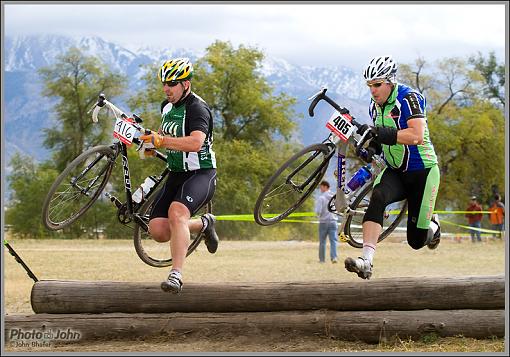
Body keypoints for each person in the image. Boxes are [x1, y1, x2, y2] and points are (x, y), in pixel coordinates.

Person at [344, 55, 441, 280]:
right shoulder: (374, 106)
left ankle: (433, 225)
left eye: (377, 85)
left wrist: (379, 133)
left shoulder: (409, 99)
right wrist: (372, 148)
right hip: (396, 170)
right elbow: (383, 137)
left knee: (416, 241)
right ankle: (366, 261)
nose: (373, 91)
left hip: (422, 172)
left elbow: (415, 136)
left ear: (390, 81)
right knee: (377, 197)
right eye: (370, 86)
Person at [140, 58, 218, 294]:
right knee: (158, 230)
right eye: (164, 83)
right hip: (176, 174)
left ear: (185, 84)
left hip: (201, 173)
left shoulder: (197, 109)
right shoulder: (166, 106)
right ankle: (204, 224)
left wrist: (163, 141)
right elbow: (165, 135)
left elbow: (195, 143)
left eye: (172, 84)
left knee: (177, 212)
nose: (166, 88)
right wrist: (149, 142)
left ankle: (176, 275)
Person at [314, 180, 338, 263]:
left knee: (322, 242)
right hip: (333, 221)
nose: (320, 188)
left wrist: (317, 216)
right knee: (334, 241)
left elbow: (318, 211)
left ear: (325, 187)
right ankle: (334, 257)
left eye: (321, 186)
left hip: (323, 222)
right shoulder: (334, 197)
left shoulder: (321, 198)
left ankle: (322, 260)